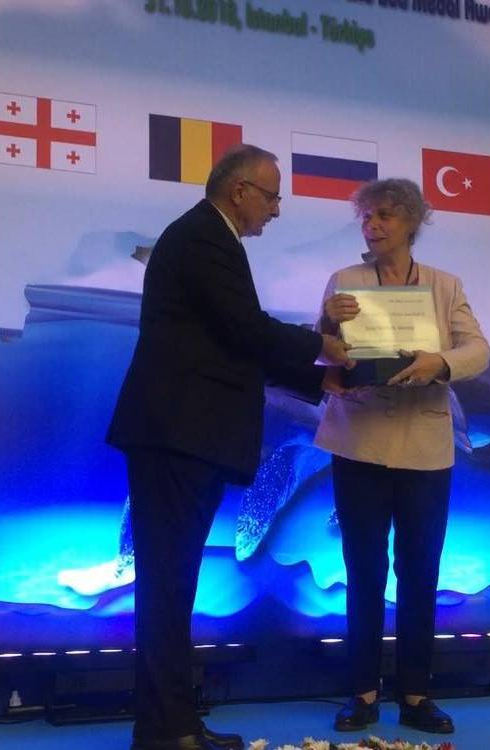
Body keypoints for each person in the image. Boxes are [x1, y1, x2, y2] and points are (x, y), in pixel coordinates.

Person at [107, 144, 353, 750]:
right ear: (240, 190)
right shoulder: (204, 237)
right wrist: (321, 347)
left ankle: (169, 726)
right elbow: (245, 329)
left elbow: (228, 343)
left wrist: (317, 379)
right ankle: (169, 730)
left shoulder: (207, 237)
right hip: (178, 437)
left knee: (171, 586)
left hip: (182, 436)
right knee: (168, 586)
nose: (276, 209)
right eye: (272, 196)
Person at [315, 178, 490, 735]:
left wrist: (440, 362)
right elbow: (324, 357)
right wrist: (327, 325)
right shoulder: (344, 280)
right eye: (367, 216)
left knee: (420, 573)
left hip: (424, 449)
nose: (373, 225)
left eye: (385, 215)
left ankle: (415, 694)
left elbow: (478, 350)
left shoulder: (444, 284)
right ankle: (362, 692)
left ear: (413, 221)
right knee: (363, 570)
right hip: (358, 441)